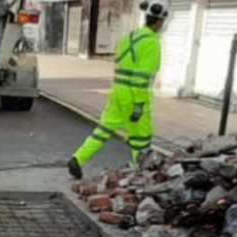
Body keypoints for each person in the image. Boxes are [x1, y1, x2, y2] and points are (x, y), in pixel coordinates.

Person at [67, 2, 167, 179]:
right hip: (133, 95)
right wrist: (138, 104)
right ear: (159, 22)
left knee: (103, 130)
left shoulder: (130, 38)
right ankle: (140, 174)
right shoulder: (152, 43)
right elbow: (140, 78)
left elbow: (120, 62)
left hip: (117, 92)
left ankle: (78, 158)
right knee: (140, 138)